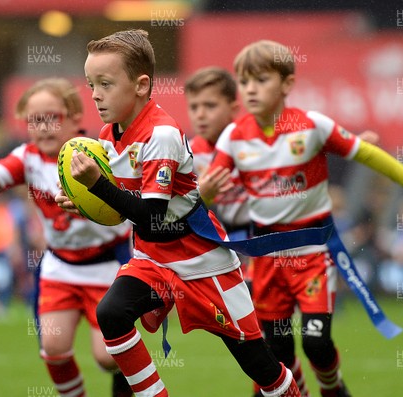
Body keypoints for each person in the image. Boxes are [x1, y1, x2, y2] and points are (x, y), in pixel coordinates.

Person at [56, 29, 301, 397]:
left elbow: (152, 214)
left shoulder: (161, 134)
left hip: (201, 260)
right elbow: (125, 208)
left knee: (260, 364)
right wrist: (88, 201)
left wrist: (98, 186)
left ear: (141, 85)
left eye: (105, 83)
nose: (94, 94)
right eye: (91, 84)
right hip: (152, 257)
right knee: (111, 314)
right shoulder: (108, 134)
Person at [209, 40, 403, 397]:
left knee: (317, 342)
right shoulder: (234, 136)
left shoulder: (311, 126)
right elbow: (204, 192)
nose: (250, 89)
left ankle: (332, 387)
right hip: (266, 262)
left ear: (287, 84)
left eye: (261, 80)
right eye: (244, 82)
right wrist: (204, 194)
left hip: (312, 256)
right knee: (278, 350)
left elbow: (370, 155)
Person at [0, 78, 133, 397]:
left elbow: (129, 200)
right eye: (34, 120)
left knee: (106, 357)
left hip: (108, 265)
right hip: (60, 267)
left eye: (52, 117)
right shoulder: (28, 156)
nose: (43, 127)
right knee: (54, 349)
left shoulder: (99, 153)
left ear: (75, 118)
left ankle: (124, 379)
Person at [184, 67, 254, 285]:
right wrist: (203, 196)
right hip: (218, 242)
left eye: (210, 105)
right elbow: (181, 209)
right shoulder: (187, 154)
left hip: (259, 238)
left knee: (266, 308)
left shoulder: (252, 145)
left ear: (234, 108)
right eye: (194, 107)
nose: (200, 114)